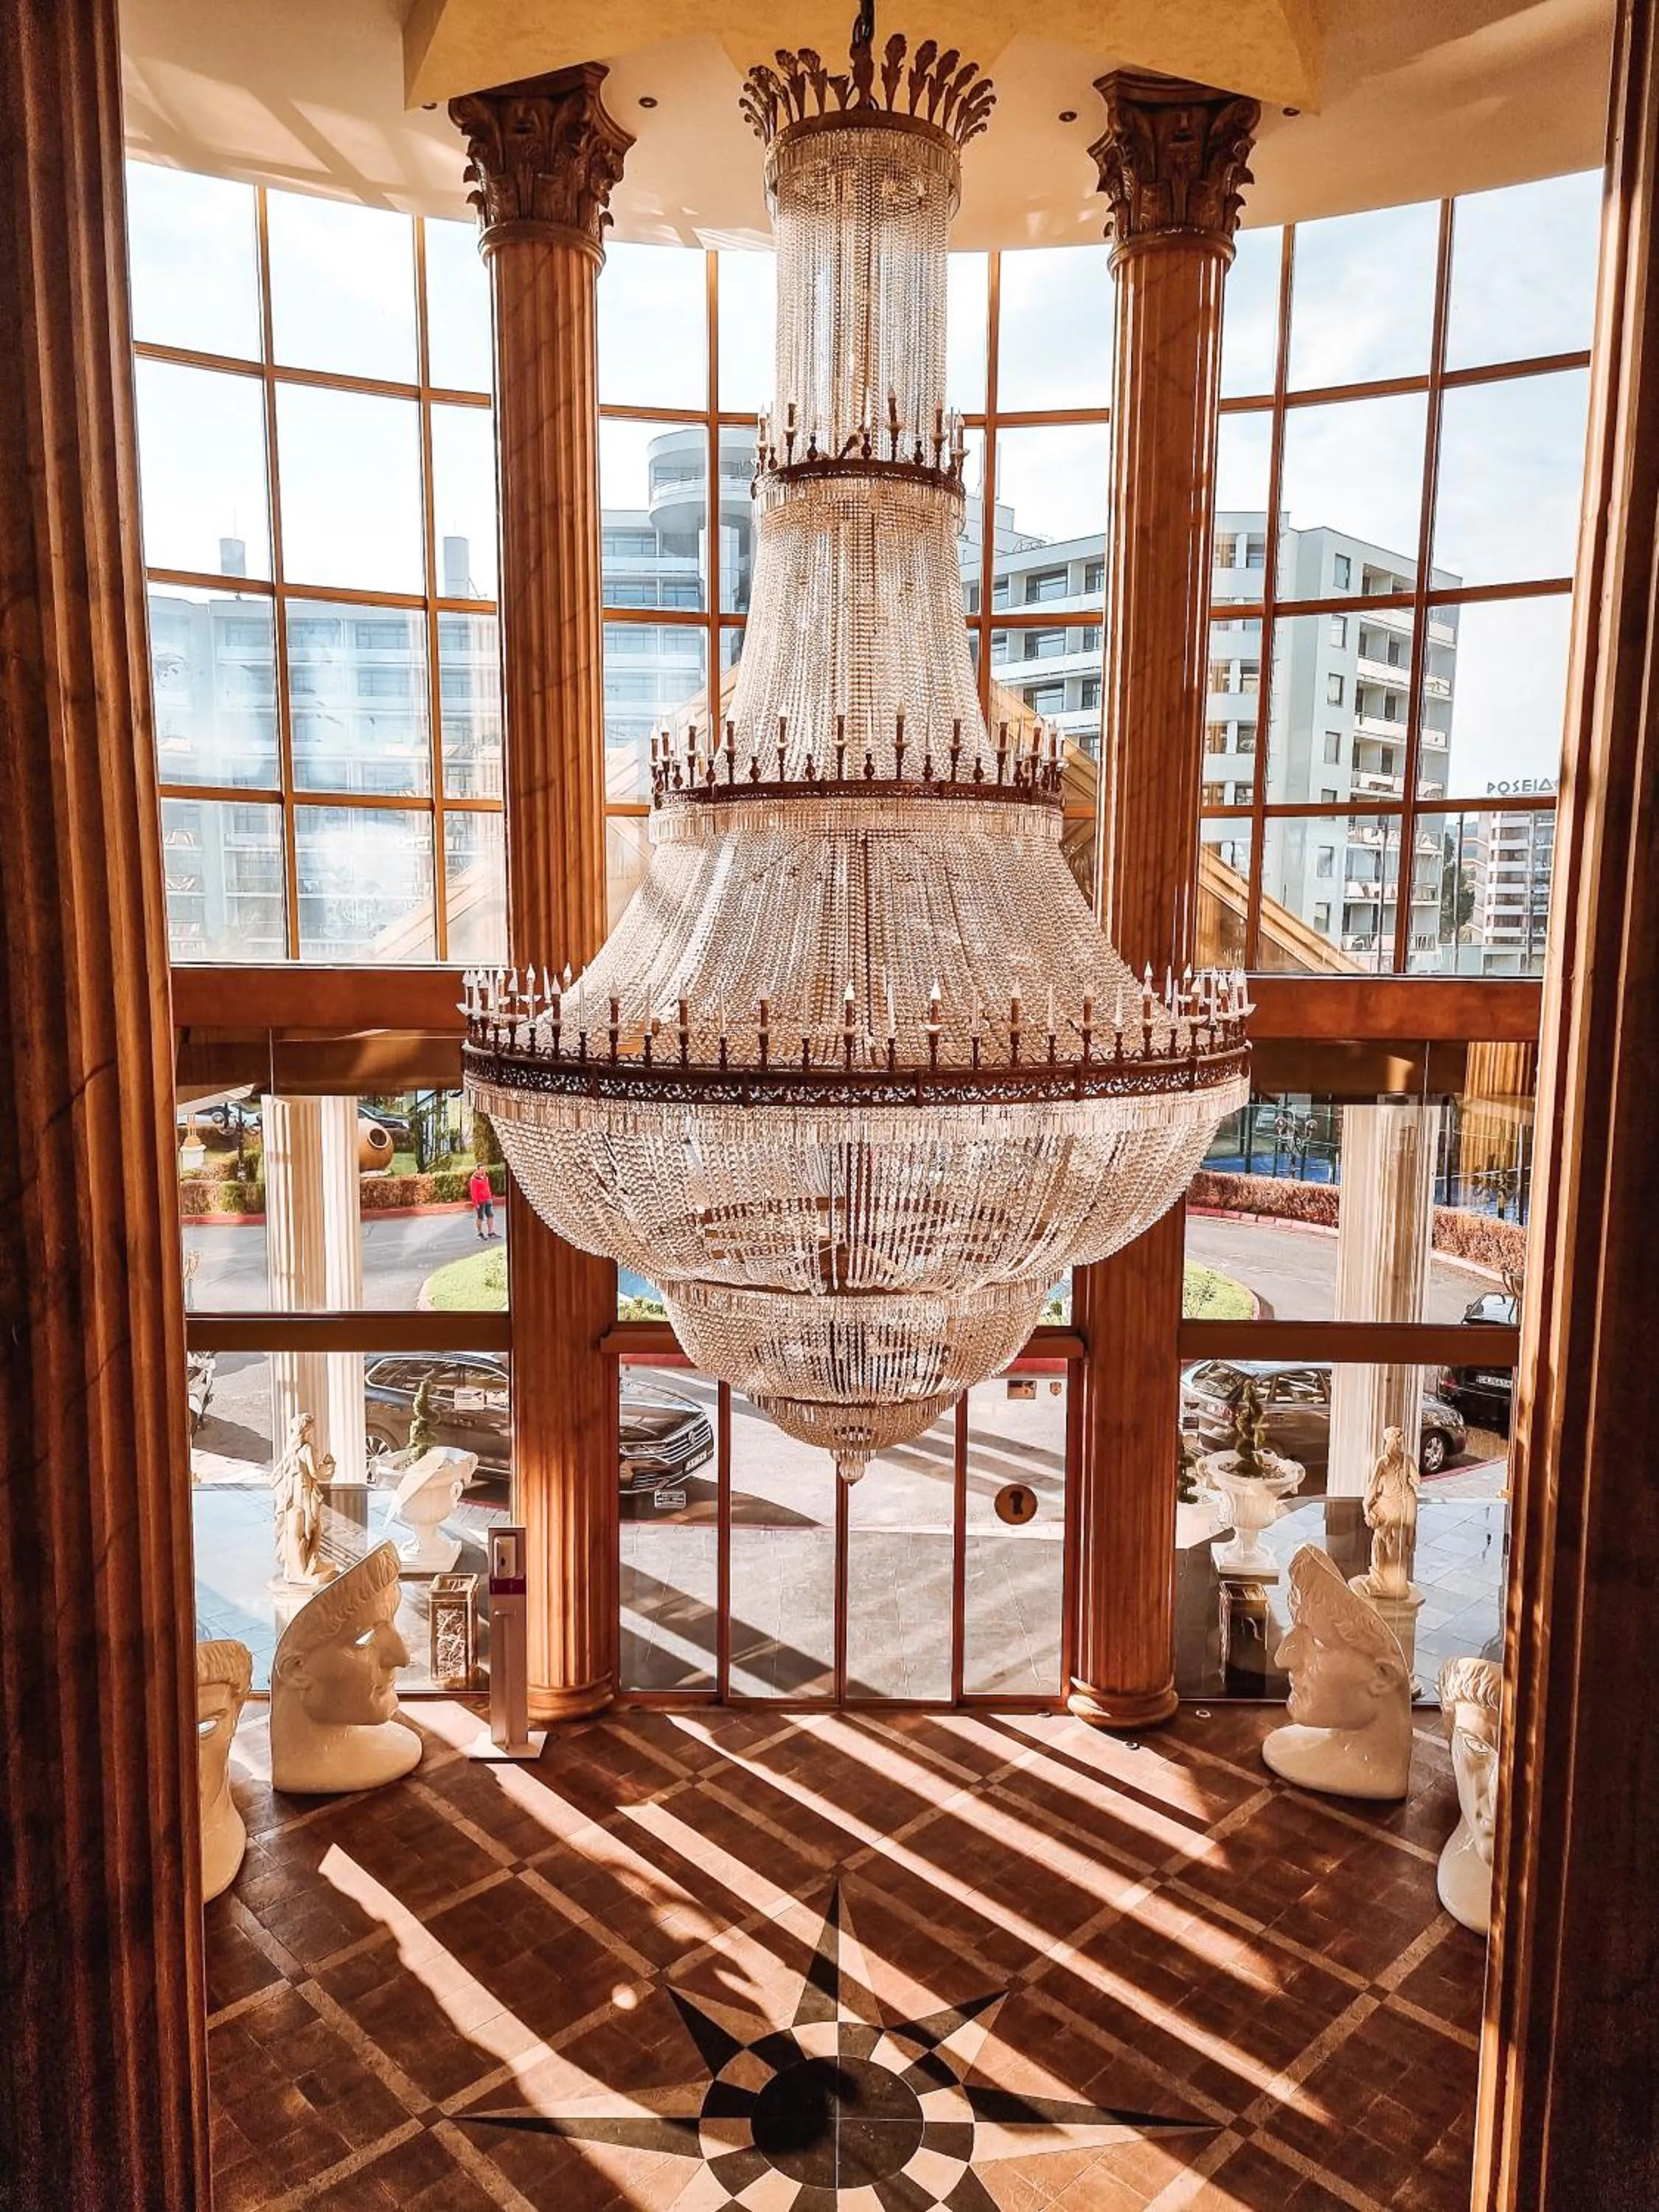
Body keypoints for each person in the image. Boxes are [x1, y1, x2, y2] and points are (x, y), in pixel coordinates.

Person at [469, 1162, 496, 1239]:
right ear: (477, 1170)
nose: (483, 1171)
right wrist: (476, 1203)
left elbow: (488, 1188)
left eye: (484, 1169)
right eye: (481, 1169)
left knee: (490, 1215)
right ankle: (480, 1233)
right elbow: (473, 1192)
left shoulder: (485, 1177)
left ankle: (490, 1233)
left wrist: (490, 1197)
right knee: (480, 1217)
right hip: (480, 1201)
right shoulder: (474, 1179)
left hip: (487, 1199)